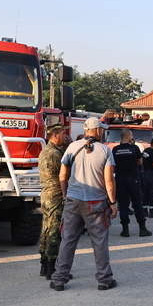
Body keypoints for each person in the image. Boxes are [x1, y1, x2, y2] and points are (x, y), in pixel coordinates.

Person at [50, 117, 118, 291]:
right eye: (101, 129)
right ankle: (104, 279)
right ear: (96, 130)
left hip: (73, 201)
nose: (102, 132)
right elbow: (109, 180)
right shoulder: (105, 150)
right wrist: (112, 202)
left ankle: (59, 279)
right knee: (99, 242)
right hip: (95, 203)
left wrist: (66, 195)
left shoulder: (72, 147)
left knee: (68, 240)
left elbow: (62, 175)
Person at [37, 123, 69, 278]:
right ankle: (52, 268)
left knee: (46, 229)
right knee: (55, 231)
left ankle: (44, 264)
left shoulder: (45, 151)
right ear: (55, 135)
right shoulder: (55, 154)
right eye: (63, 133)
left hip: (46, 195)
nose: (65, 136)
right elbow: (65, 175)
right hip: (56, 196)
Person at [112, 129, 149, 238]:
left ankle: (125, 230)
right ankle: (142, 229)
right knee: (137, 202)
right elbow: (140, 162)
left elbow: (113, 164)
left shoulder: (115, 149)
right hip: (133, 178)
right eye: (132, 135)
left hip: (120, 178)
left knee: (123, 204)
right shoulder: (134, 148)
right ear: (128, 136)